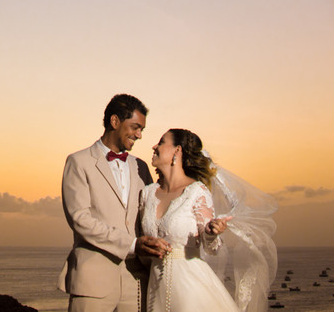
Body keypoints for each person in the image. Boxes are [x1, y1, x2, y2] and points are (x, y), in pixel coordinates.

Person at [139, 129, 277, 312]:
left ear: (177, 151)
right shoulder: (147, 193)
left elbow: (211, 248)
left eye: (162, 142)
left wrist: (211, 233)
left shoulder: (197, 192)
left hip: (190, 286)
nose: (154, 146)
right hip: (155, 285)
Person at [58, 93, 166, 312]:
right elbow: (80, 220)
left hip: (136, 281)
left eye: (142, 129)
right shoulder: (78, 162)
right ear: (115, 121)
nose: (139, 135)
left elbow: (153, 213)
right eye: (135, 127)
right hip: (92, 281)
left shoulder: (141, 167)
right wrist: (132, 245)